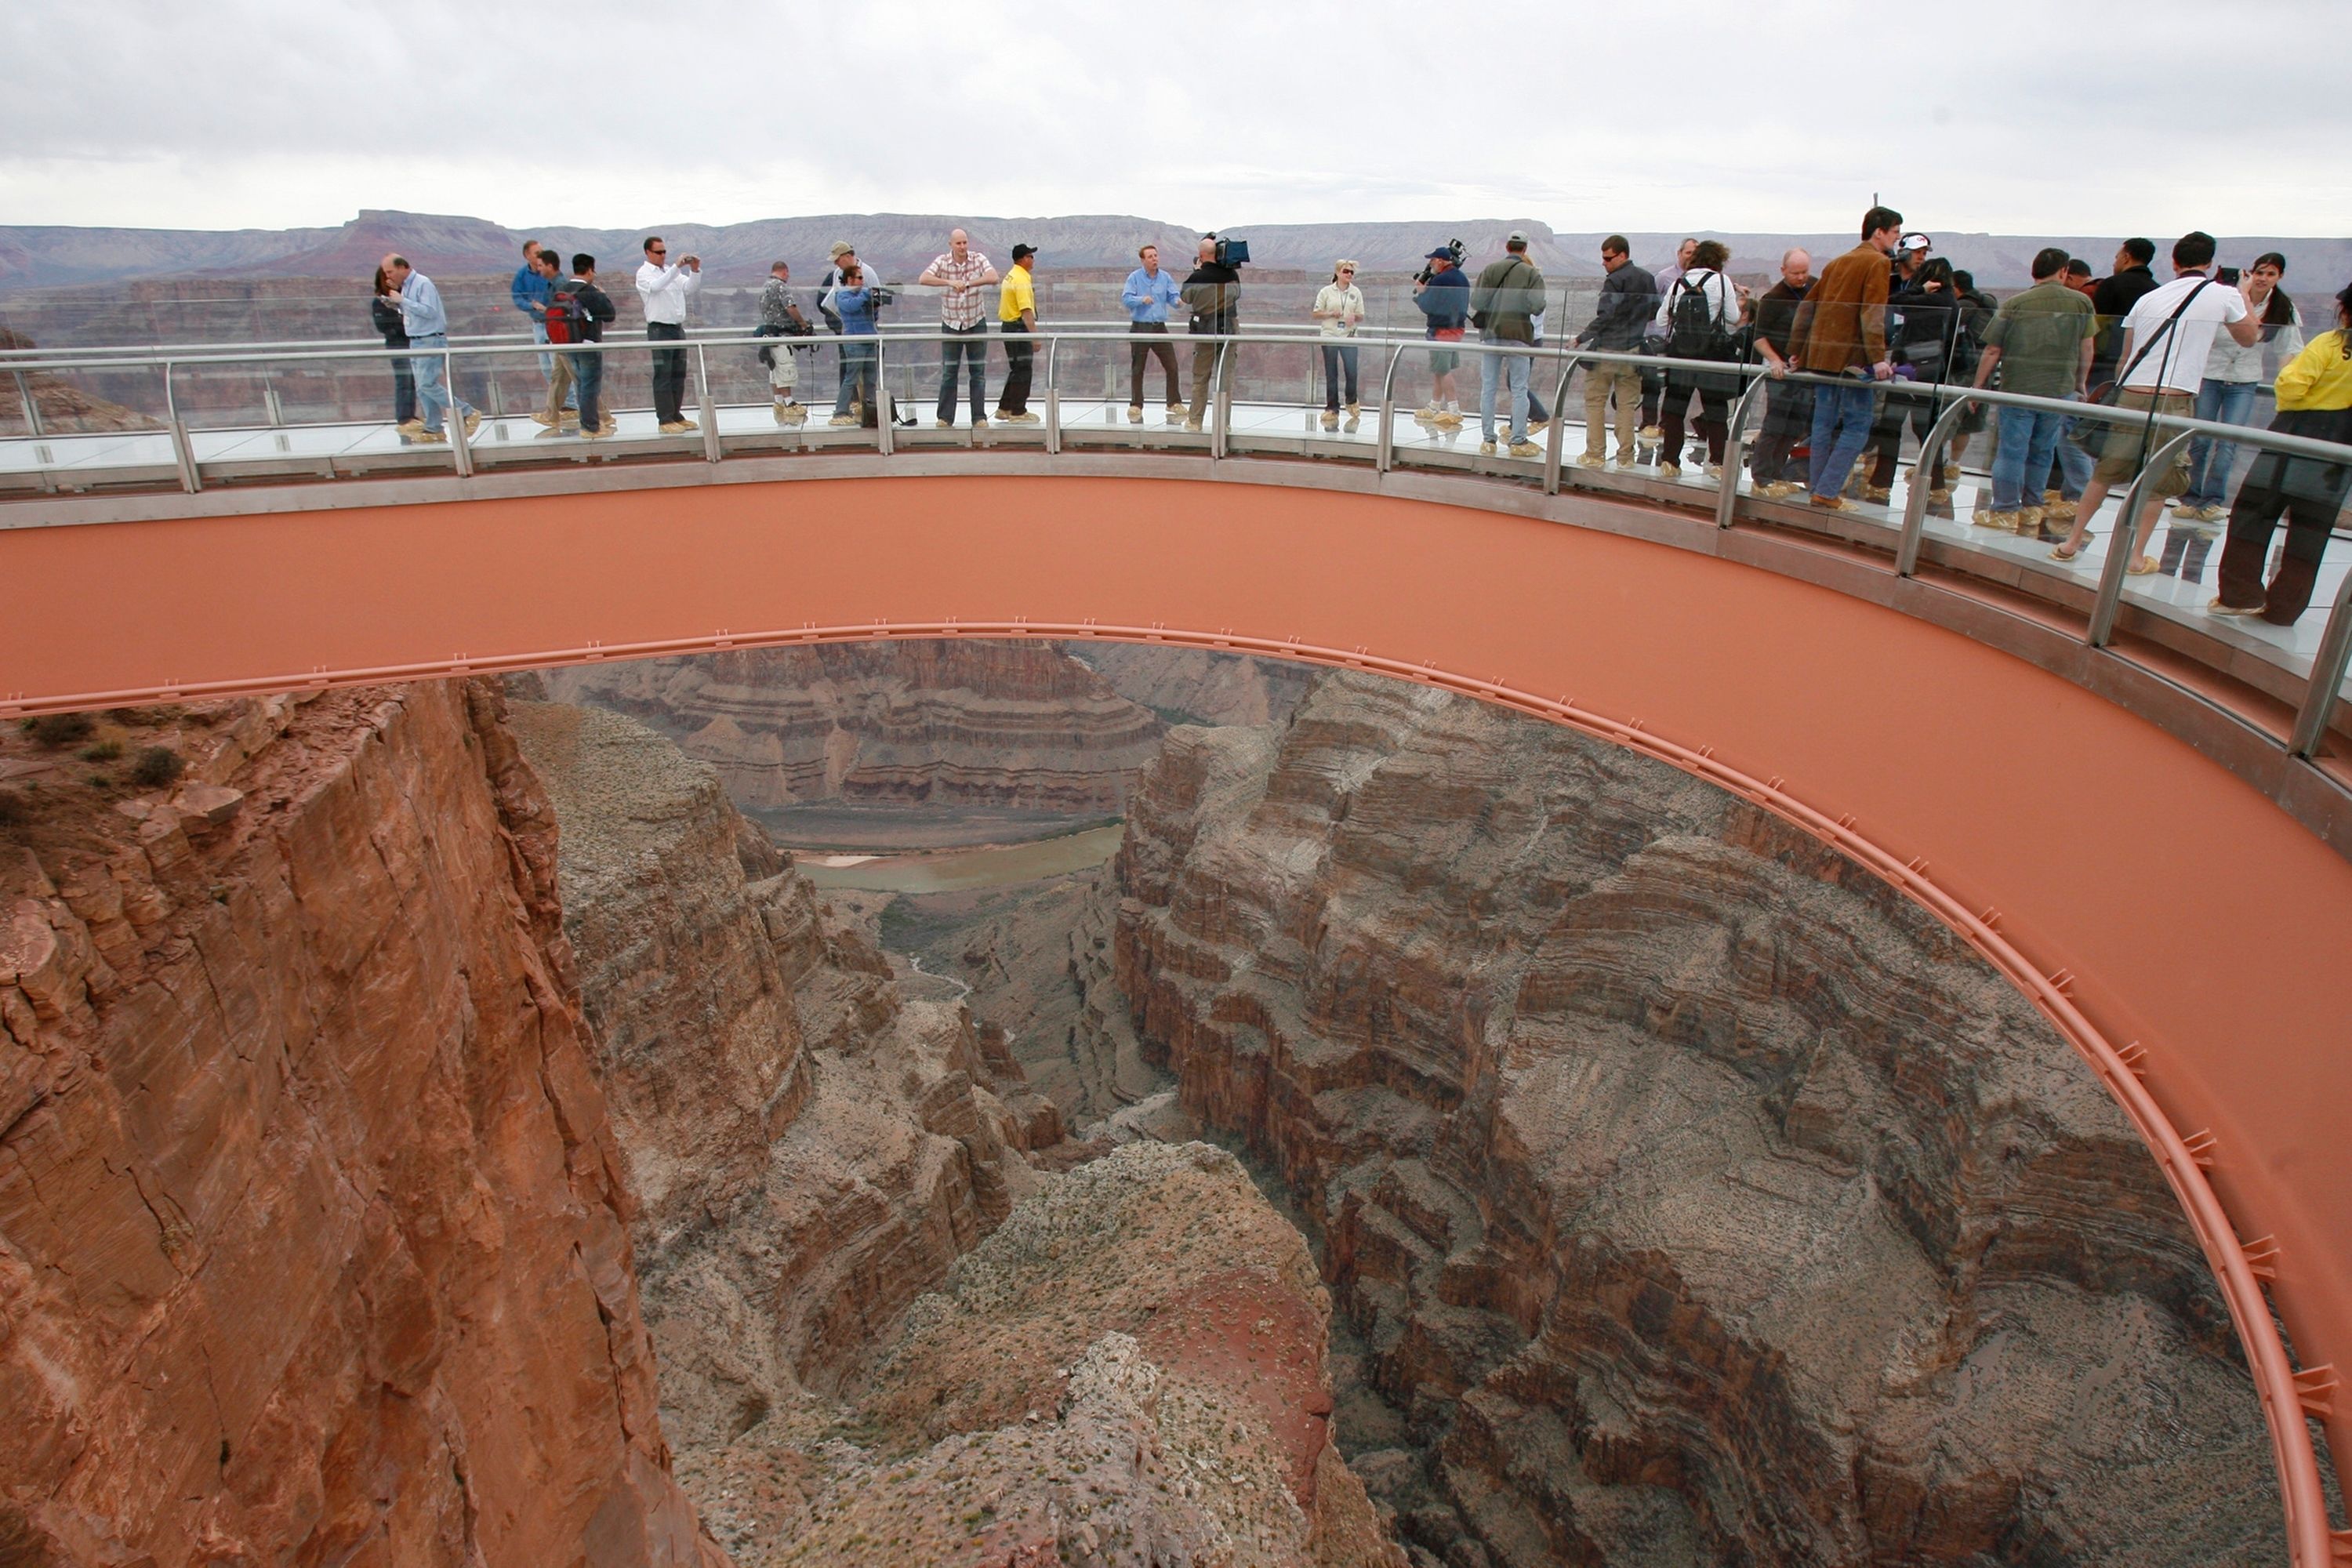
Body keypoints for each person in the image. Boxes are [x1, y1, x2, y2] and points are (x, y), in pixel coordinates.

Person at [2050, 232, 2259, 571]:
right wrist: (2245, 296)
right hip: (2174, 399)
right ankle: (2134, 557)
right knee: (2159, 481)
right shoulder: (2223, 294)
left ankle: (2071, 541)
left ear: (2174, 262)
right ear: (2209, 263)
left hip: (2133, 393)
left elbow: (2126, 356)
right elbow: (2250, 337)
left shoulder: (2151, 297)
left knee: (2104, 473)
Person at [2210, 281, 2352, 625]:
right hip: (2341, 447)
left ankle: (2239, 595)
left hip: (2299, 432)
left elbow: (2290, 386)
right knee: (2311, 528)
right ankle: (2284, 610)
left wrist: (2297, 396)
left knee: (2254, 511)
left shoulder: (2331, 343)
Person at [1971, 246, 2095, 535]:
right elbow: (2086, 347)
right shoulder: (2081, 303)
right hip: (2059, 391)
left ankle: (2004, 509)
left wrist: (1978, 386)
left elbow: (1992, 349)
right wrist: (2079, 383)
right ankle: (2032, 506)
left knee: (2011, 451)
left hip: (2018, 390)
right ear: (2064, 271)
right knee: (2043, 450)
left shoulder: (2015, 303)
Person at [1788, 206, 1902, 510]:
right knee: (1857, 425)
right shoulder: (1877, 262)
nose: (1898, 238)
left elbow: (1807, 309)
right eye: (1895, 232)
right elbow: (1872, 312)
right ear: (1879, 232)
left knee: (1822, 425)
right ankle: (1827, 490)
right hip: (1852, 363)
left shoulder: (1838, 262)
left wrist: (1797, 351)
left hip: (1822, 358)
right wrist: (1878, 357)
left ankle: (1819, 488)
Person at [2176, 252, 2303, 523]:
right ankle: (2189, 498)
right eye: (2259, 273)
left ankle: (2211, 501)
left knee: (2228, 443)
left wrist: (2289, 382)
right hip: (2210, 375)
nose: (2263, 279)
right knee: (2200, 439)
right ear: (2250, 273)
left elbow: (2290, 348)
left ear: (2280, 277)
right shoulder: (2228, 298)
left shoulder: (2283, 307)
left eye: (2270, 274)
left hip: (2244, 380)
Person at [1863, 256, 1962, 502]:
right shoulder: (1951, 302)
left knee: (1892, 426)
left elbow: (1893, 301)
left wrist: (1920, 289)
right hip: (1931, 373)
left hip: (1911, 371)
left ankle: (1881, 482)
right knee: (1925, 430)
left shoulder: (1932, 299)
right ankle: (1935, 485)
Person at [1650, 239, 1741, 477]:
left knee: (1674, 408)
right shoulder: (1723, 282)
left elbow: (1661, 320)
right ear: (1719, 260)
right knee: (1715, 408)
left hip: (1681, 352)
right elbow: (1733, 317)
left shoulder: (1680, 283)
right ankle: (1718, 463)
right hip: (1711, 354)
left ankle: (1670, 461)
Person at [1573, 235, 1658, 468]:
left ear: (1622, 255)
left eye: (1608, 258)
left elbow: (1606, 315)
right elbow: (1654, 312)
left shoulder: (1614, 281)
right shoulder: (1647, 278)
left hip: (1606, 352)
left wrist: (1582, 337)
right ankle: (1625, 458)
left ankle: (1595, 454)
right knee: (1626, 406)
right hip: (1633, 351)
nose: (1604, 263)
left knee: (1595, 403)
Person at [378, 252, 478, 445]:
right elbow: (413, 312)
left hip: (430, 340)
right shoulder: (407, 287)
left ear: (401, 267)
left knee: (427, 384)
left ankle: (467, 412)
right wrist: (396, 305)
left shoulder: (423, 284)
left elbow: (429, 311)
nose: (388, 276)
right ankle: (434, 427)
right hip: (416, 340)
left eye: (390, 271)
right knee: (422, 388)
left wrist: (402, 301)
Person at [1471, 234, 1547, 456]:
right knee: (1519, 389)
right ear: (1525, 249)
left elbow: (1477, 302)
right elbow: (1537, 306)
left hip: (1491, 334)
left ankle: (1488, 440)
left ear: (1507, 247)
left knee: (1489, 388)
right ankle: (1518, 440)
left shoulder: (1490, 270)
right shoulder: (1531, 273)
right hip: (1519, 335)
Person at [1746, 249, 1813, 495]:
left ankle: (1778, 472)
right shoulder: (1773, 299)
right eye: (1795, 273)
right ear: (1783, 271)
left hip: (1805, 372)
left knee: (1794, 426)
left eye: (1804, 272)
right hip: (1780, 374)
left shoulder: (1813, 289)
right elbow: (1759, 336)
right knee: (1775, 424)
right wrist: (1775, 360)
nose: (1800, 277)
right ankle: (1762, 476)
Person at [919, 229, 998, 429]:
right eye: (958, 244)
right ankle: (945, 418)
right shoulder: (943, 261)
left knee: (978, 372)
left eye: (965, 243)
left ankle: (979, 417)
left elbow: (993, 276)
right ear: (951, 244)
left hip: (976, 322)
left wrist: (968, 283)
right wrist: (949, 282)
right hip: (951, 323)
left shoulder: (978, 259)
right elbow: (924, 278)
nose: (962, 247)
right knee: (949, 371)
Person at [636, 235, 702, 434]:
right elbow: (656, 287)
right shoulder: (644, 273)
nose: (662, 256)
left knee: (678, 374)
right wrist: (675, 268)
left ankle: (675, 414)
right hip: (659, 329)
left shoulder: (669, 272)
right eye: (658, 252)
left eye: (664, 252)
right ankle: (664, 418)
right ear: (648, 253)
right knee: (663, 375)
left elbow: (689, 288)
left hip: (676, 328)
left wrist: (695, 270)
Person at [1638, 237, 1699, 450]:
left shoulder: (1699, 280)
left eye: (1695, 253)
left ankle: (1665, 426)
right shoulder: (1664, 277)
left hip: (1680, 342)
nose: (1691, 257)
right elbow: (1649, 305)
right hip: (1657, 338)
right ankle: (1648, 424)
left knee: (1674, 385)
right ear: (1680, 253)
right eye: (1688, 252)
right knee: (1652, 384)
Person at [1181, 236, 1242, 432]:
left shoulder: (1197, 277)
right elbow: (1237, 294)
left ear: (1201, 256)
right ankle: (1224, 424)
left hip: (1206, 330)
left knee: (1201, 378)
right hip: (1229, 329)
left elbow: (1185, 297)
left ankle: (1195, 421)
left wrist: (1196, 271)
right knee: (1225, 379)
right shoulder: (1231, 274)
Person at [510, 238, 575, 423]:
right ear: (527, 256)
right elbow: (517, 297)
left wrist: (549, 311)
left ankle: (568, 406)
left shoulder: (554, 278)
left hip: (555, 325)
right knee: (549, 369)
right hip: (539, 325)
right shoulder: (523, 275)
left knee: (561, 369)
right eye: (537, 253)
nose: (540, 256)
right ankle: (564, 407)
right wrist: (532, 306)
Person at [1121, 244, 1185, 423]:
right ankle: (1136, 405)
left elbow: (1172, 295)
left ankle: (1173, 402)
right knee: (1138, 367)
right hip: (1140, 327)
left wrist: (1177, 301)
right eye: (1150, 257)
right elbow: (1126, 299)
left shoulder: (1165, 277)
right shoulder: (1134, 278)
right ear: (1143, 260)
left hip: (1159, 327)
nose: (1154, 259)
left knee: (1171, 365)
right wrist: (1141, 299)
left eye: (1156, 256)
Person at [557, 254, 618, 439]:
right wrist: (602, 294)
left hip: (568, 346)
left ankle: (587, 423)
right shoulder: (589, 290)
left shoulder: (563, 289)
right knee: (590, 386)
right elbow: (609, 315)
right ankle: (590, 427)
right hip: (588, 345)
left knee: (580, 385)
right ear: (590, 270)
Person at [2088, 238, 2160, 388]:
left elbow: (2095, 325)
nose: (2115, 263)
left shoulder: (2111, 284)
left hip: (2106, 363)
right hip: (2141, 363)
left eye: (2117, 257)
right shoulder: (2157, 290)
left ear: (2126, 258)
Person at [1411, 247, 1469, 427]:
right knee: (1439, 368)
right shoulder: (1462, 278)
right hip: (1456, 328)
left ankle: (1454, 409)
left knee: (1443, 370)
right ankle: (1434, 406)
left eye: (1432, 260)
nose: (1430, 264)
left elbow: (1429, 305)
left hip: (1441, 330)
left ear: (1440, 261)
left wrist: (1421, 294)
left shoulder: (1441, 279)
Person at [525, 247, 579, 434]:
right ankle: (555, 412)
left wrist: (543, 309)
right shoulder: (552, 284)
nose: (538, 269)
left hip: (561, 339)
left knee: (576, 378)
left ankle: (599, 414)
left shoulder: (561, 285)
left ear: (550, 265)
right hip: (557, 338)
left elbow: (563, 312)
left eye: (540, 265)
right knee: (558, 376)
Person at [756, 260, 811, 426]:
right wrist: (803, 324)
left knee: (775, 370)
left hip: (769, 334)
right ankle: (789, 403)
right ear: (785, 272)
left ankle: (779, 403)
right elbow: (790, 307)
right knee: (785, 368)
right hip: (781, 335)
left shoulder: (765, 286)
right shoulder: (780, 287)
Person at [1312, 260, 1366, 431]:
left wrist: (1354, 317)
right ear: (1337, 273)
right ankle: (1332, 408)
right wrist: (1330, 313)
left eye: (1351, 272)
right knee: (1331, 373)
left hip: (1349, 335)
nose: (1349, 275)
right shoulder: (1326, 292)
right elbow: (1316, 312)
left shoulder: (1356, 292)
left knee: (1351, 371)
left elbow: (1361, 315)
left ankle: (1351, 400)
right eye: (1346, 271)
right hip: (1330, 335)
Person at [994, 243, 1042, 425]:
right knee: (1023, 370)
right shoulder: (1021, 279)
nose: (1033, 260)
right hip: (1018, 328)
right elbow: (1026, 311)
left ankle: (1005, 407)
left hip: (1008, 326)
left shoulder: (1011, 275)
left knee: (1016, 370)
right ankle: (1018, 412)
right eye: (1030, 256)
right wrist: (1034, 337)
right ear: (1023, 259)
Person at [831, 262, 882, 425]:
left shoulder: (862, 294)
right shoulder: (842, 295)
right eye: (859, 278)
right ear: (850, 280)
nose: (862, 281)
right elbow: (850, 307)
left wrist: (873, 305)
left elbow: (873, 317)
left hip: (869, 339)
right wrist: (865, 296)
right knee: (851, 378)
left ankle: (870, 410)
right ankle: (840, 412)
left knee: (871, 378)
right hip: (854, 342)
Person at [371, 264, 416, 433]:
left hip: (412, 343)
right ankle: (404, 417)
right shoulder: (380, 302)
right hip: (398, 345)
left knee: (413, 381)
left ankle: (410, 416)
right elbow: (383, 326)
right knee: (404, 381)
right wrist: (405, 325)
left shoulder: (403, 298)